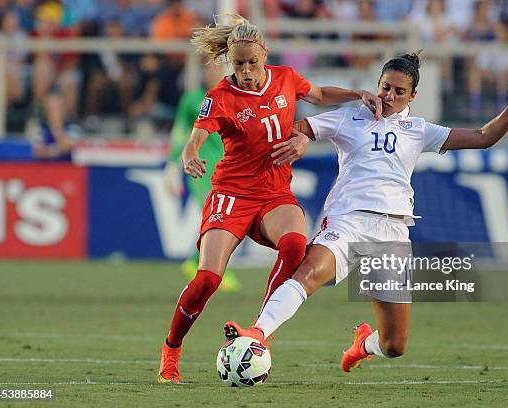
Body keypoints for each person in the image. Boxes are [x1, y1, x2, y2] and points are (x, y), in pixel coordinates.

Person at [224, 53, 508, 373]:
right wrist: (303, 140)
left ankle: (363, 344)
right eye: (385, 87)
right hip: (348, 219)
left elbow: (482, 138)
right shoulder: (350, 117)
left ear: (412, 96)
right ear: (377, 84)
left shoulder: (419, 130)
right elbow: (301, 127)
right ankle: (258, 334)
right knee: (309, 272)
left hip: (393, 232)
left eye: (399, 92)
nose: (389, 96)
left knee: (394, 345)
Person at [157, 14, 382, 383]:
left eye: (251, 62)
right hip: (231, 194)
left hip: (274, 192)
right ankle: (171, 349)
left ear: (264, 53)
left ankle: (260, 330)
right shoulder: (221, 97)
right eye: (238, 63)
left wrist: (359, 93)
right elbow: (196, 137)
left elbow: (320, 95)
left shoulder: (286, 78)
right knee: (208, 281)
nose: (245, 70)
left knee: (295, 244)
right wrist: (188, 155)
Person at [164, 62, 240, 291]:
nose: (211, 74)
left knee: (225, 219)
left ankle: (194, 261)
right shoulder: (191, 99)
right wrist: (172, 166)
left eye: (216, 70)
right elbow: (180, 132)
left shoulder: (233, 98)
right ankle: (216, 271)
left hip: (229, 169)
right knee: (218, 218)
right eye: (207, 70)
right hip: (202, 168)